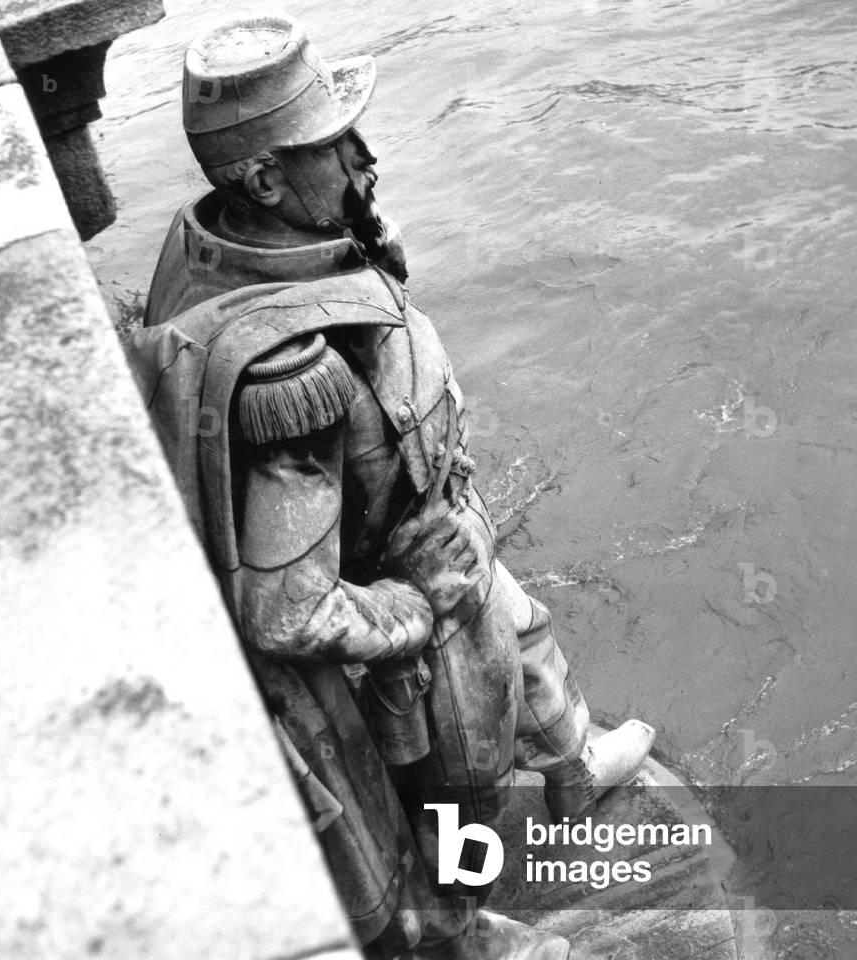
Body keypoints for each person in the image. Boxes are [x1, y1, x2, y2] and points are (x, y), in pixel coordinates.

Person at [126, 16, 654, 959]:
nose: (366, 157)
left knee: (527, 629)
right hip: (412, 621)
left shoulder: (225, 241)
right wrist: (417, 602)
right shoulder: (291, 378)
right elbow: (286, 613)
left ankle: (574, 771)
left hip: (442, 538)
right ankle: (462, 934)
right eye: (333, 146)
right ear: (263, 179)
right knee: (464, 792)